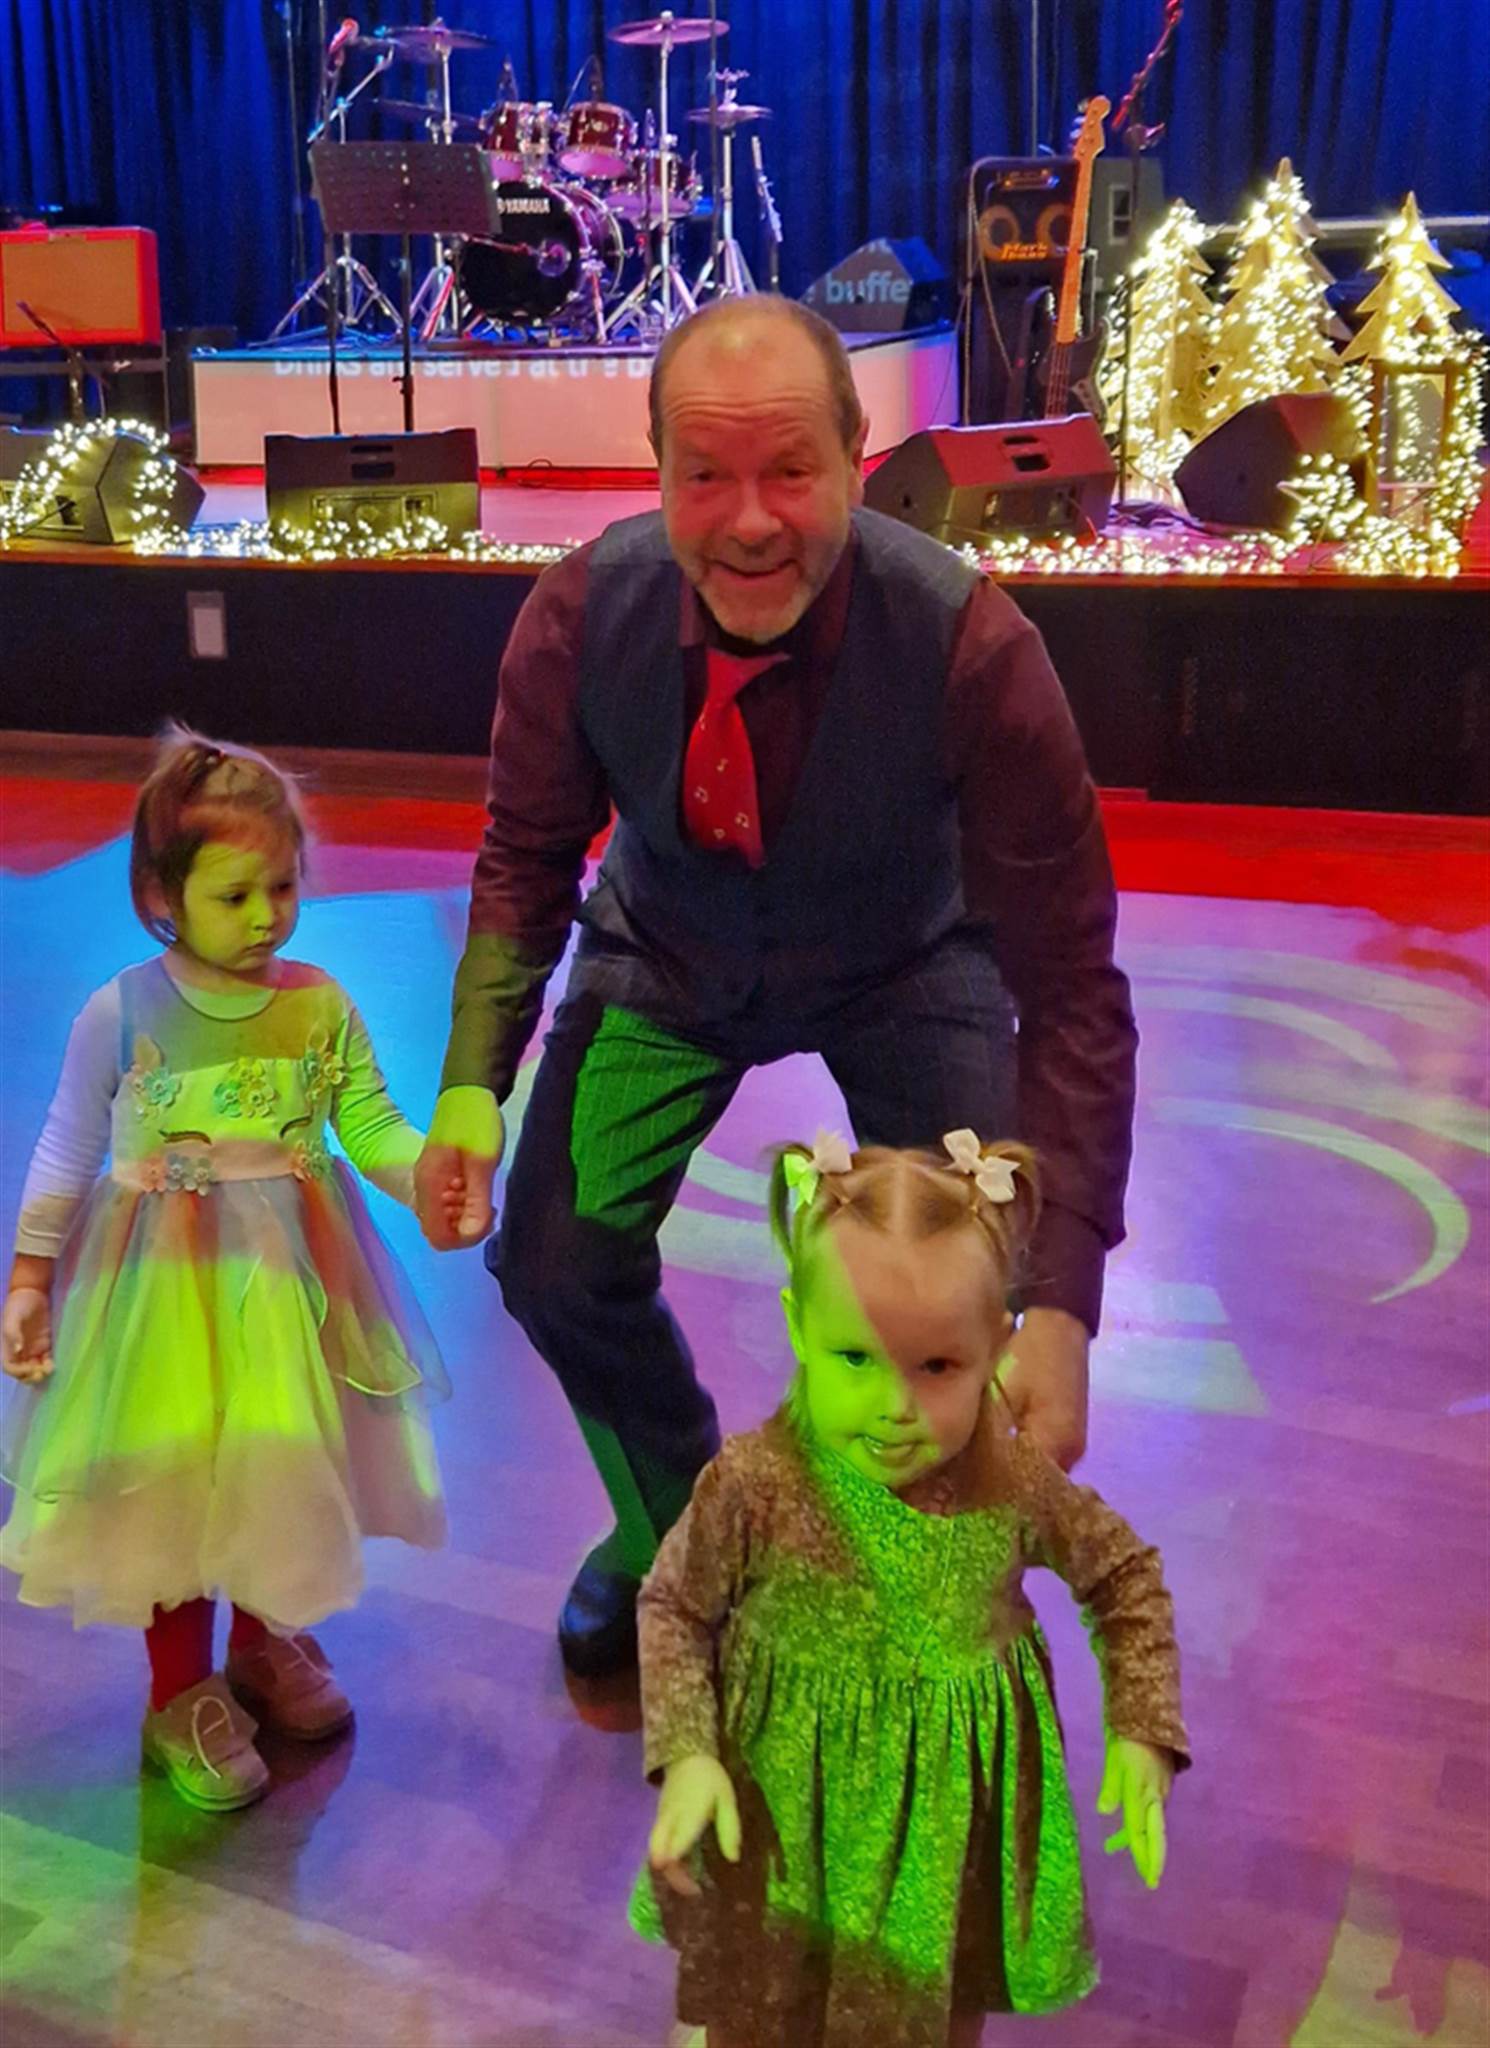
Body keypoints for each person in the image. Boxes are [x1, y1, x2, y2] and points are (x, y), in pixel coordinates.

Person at [415, 294, 1137, 1681]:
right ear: (657, 473)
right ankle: (679, 1528)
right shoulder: (578, 616)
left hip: (906, 961)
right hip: (666, 953)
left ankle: (910, 1573)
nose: (748, 521)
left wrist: (1059, 1301)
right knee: (553, 1258)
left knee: (968, 1288)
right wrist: (468, 1086)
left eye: (790, 470)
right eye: (705, 474)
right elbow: (525, 855)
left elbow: (1070, 986)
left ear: (857, 460)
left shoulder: (973, 648)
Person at [632, 1132, 1187, 2048]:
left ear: (996, 1347)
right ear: (799, 1327)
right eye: (856, 1358)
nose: (895, 1406)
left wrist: (1144, 1727)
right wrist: (688, 1753)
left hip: (942, 1843)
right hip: (780, 1823)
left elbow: (1123, 1574)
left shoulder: (1012, 1483)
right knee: (748, 2009)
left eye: (936, 1367)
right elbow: (674, 1605)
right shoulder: (754, 1483)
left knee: (925, 2019)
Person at [1, 727, 447, 1811]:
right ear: (164, 895)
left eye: (282, 887)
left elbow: (369, 1125)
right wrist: (29, 1276)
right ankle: (177, 1693)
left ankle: (257, 1640)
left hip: (291, 1290)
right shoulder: (122, 1009)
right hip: (162, 1298)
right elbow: (65, 1145)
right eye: (235, 895)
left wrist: (428, 1177)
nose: (266, 916)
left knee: (274, 1464)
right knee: (177, 1479)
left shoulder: (320, 1001)